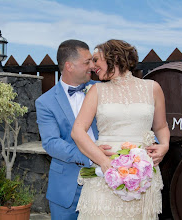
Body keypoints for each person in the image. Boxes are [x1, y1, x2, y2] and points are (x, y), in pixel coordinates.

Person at [71, 39, 170, 220]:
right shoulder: (96, 91)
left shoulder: (152, 88)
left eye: (96, 60)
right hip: (104, 175)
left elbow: (161, 126)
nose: (92, 66)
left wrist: (164, 146)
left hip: (142, 176)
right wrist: (104, 162)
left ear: (114, 58)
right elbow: (77, 131)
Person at [35, 39, 113, 220]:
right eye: (87, 62)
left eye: (93, 61)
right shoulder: (45, 102)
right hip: (67, 189)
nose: (92, 66)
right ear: (69, 66)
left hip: (107, 182)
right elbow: (51, 143)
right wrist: (92, 155)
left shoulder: (103, 90)